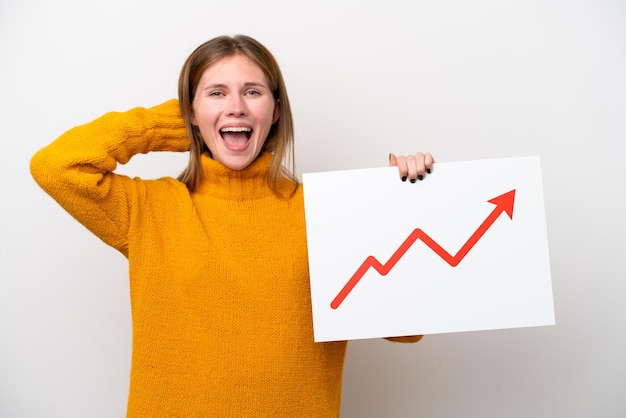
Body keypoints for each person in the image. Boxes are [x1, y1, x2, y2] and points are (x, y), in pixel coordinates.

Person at [30, 34, 434, 417]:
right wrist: (169, 125)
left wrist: (397, 212)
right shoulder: (148, 209)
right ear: (190, 110)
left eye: (252, 92)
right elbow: (56, 167)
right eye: (216, 93)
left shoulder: (326, 213)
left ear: (276, 112)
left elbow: (406, 332)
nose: (236, 107)